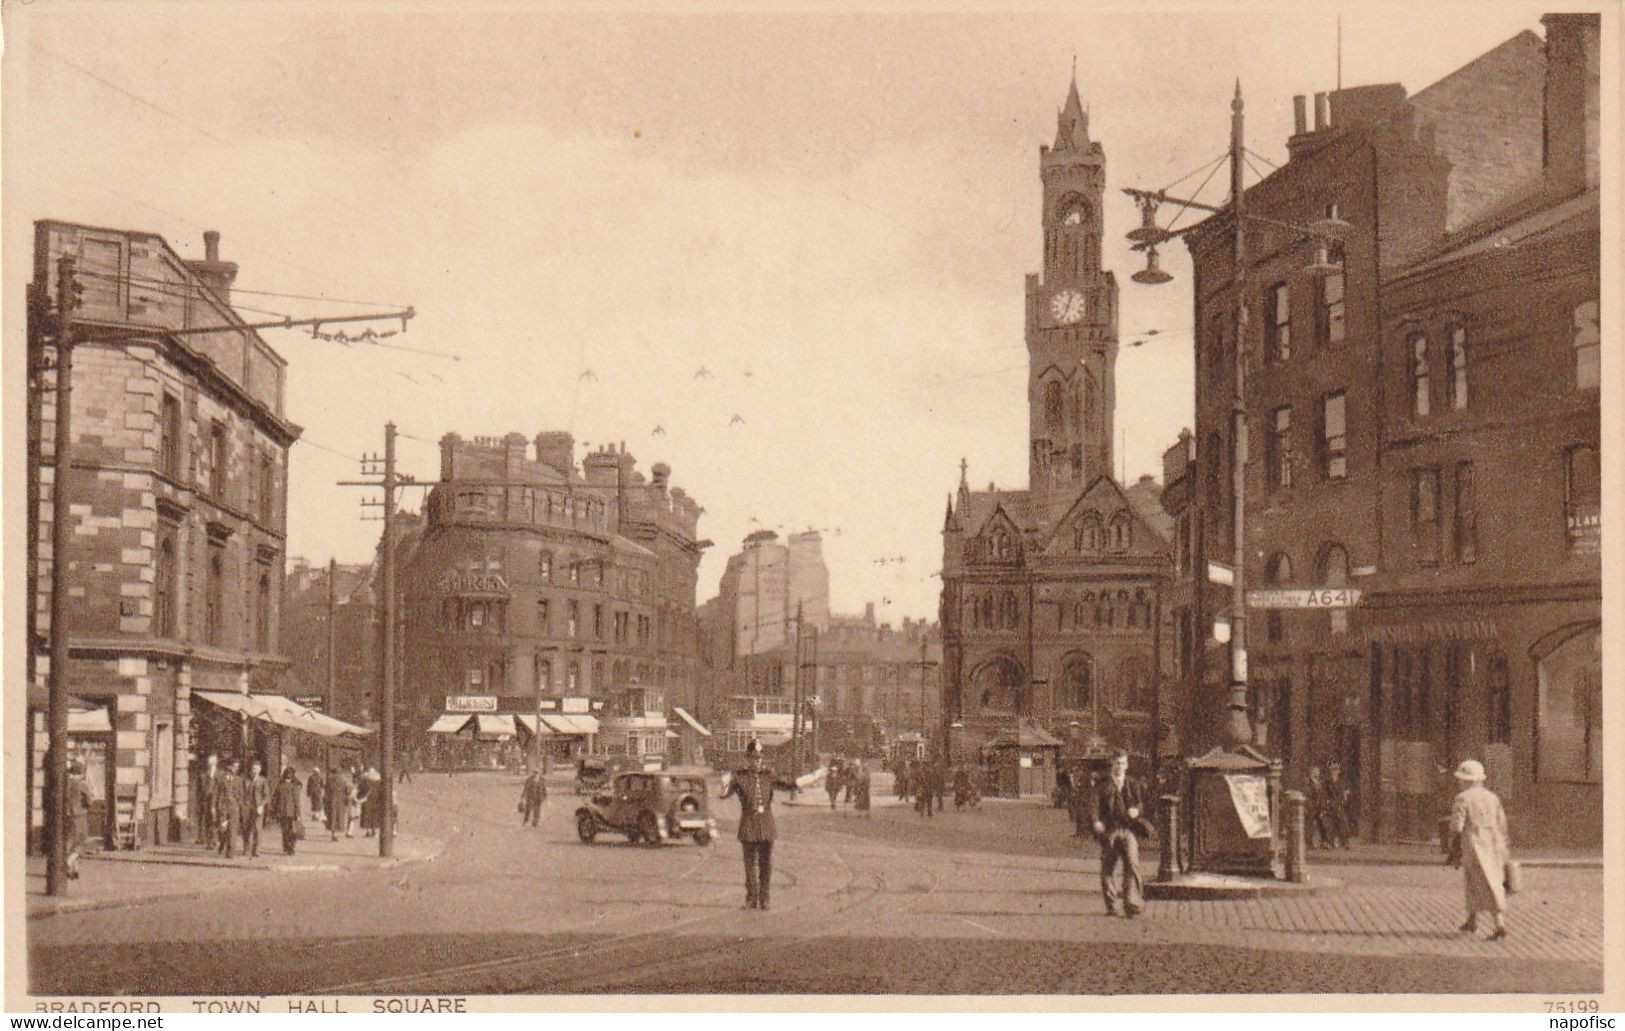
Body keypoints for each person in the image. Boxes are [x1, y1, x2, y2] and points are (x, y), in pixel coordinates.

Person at [722, 739, 797, 910]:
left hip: (766, 824)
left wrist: (804, 781)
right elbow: (724, 794)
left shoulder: (769, 776)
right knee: (749, 865)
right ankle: (751, 899)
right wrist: (724, 782)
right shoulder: (739, 777)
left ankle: (764, 899)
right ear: (748, 759)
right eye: (754, 758)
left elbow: (787, 785)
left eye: (760, 758)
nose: (758, 761)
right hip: (748, 823)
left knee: (766, 864)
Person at [1449, 759, 1510, 940]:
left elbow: (1457, 826)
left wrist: (1453, 843)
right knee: (1489, 881)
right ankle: (1472, 920)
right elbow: (1502, 823)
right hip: (1494, 844)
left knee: (1478, 883)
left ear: (1468, 781)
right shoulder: (1493, 797)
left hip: (1474, 845)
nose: (1460, 783)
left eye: (1461, 779)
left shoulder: (1462, 798)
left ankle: (1500, 924)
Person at [1092, 752, 1149, 918]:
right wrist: (1096, 821)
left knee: (1132, 864)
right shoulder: (1102, 786)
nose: (1120, 767)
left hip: (1128, 830)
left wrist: (1136, 810)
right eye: (1117, 763)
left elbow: (1140, 803)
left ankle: (1131, 902)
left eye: (1123, 763)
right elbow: (1094, 806)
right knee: (1108, 868)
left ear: (1127, 765)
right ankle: (1112, 906)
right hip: (1110, 831)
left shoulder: (1132, 784)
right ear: (1112, 764)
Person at [63, 759, 93, 879]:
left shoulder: (66, 783)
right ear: (80, 772)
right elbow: (89, 802)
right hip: (80, 816)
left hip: (68, 816)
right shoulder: (82, 785)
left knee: (71, 842)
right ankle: (69, 862)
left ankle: (74, 871)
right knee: (81, 842)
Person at [271, 767, 304, 855]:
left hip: (281, 813)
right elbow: (297, 802)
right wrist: (299, 814)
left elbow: (274, 800)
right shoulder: (295, 787)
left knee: (284, 831)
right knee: (292, 831)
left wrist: (275, 812)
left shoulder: (279, 787)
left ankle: (286, 847)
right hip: (292, 813)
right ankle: (291, 847)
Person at [216, 758, 245, 858]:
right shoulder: (221, 779)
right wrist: (218, 806)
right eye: (234, 766)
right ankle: (222, 843)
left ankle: (230, 852)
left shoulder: (239, 780)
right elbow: (217, 793)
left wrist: (239, 805)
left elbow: (241, 794)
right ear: (229, 767)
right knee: (222, 829)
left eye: (237, 767)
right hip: (223, 806)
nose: (236, 769)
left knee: (233, 830)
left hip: (234, 807)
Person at [242, 759, 270, 859]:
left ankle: (256, 850)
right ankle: (246, 848)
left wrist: (261, 806)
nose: (255, 771)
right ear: (251, 769)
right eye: (253, 769)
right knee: (246, 828)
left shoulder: (263, 780)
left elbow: (267, 796)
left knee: (258, 829)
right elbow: (242, 793)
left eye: (257, 769)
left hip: (258, 808)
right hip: (247, 807)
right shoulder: (246, 780)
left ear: (260, 769)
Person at [195, 752, 221, 848]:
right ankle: (209, 841)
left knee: (216, 820)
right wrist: (199, 801)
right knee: (207, 821)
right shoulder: (202, 774)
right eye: (209, 761)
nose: (211, 763)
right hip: (206, 801)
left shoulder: (220, 774)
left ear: (216, 762)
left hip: (217, 801)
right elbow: (198, 789)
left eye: (213, 761)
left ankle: (216, 838)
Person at [327, 765, 355, 840]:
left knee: (332, 816)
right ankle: (337, 832)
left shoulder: (329, 779)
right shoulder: (344, 779)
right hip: (340, 801)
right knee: (339, 817)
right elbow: (348, 791)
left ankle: (333, 833)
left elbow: (326, 790)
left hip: (331, 800)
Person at [359, 766, 383, 837]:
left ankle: (368, 831)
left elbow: (361, 790)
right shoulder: (379, 782)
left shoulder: (365, 781)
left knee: (367, 815)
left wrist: (360, 798)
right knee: (375, 815)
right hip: (377, 800)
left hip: (367, 800)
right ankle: (374, 830)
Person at [305, 765, 327, 832]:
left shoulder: (311, 777)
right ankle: (317, 816)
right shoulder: (320, 777)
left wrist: (308, 793)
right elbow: (323, 785)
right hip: (318, 791)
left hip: (312, 792)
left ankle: (314, 816)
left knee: (314, 804)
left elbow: (308, 785)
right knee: (319, 804)